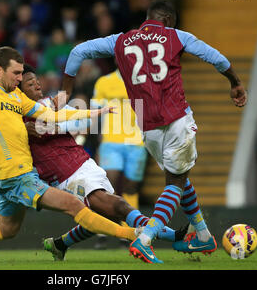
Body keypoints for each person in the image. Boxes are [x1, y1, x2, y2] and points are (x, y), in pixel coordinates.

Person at [0, 19, 140, 264]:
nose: (21, 78)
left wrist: (93, 113)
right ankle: (134, 235)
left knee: (5, 230)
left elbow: (52, 116)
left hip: (8, 176)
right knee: (74, 205)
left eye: (22, 73)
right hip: (18, 176)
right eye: (17, 73)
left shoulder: (16, 98)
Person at [56, 0, 248, 263]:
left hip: (148, 129)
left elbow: (78, 52)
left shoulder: (120, 40)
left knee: (179, 177)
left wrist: (65, 91)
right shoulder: (176, 36)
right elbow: (216, 58)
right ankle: (146, 239)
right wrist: (235, 82)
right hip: (177, 120)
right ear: (168, 20)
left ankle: (203, 236)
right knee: (175, 182)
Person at [19, 64, 188, 260]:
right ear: (19, 91)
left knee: (107, 215)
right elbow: (52, 125)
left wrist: (74, 65)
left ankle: (60, 244)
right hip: (66, 175)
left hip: (83, 163)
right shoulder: (20, 118)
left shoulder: (48, 103)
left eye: (37, 81)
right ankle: (173, 236)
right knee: (118, 206)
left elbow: (72, 107)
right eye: (30, 84)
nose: (37, 85)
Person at [91, 68, 148, 249]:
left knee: (131, 187)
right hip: (111, 140)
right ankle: (103, 231)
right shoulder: (104, 81)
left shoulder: (144, 80)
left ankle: (129, 232)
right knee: (110, 185)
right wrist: (96, 141)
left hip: (137, 141)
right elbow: (95, 113)